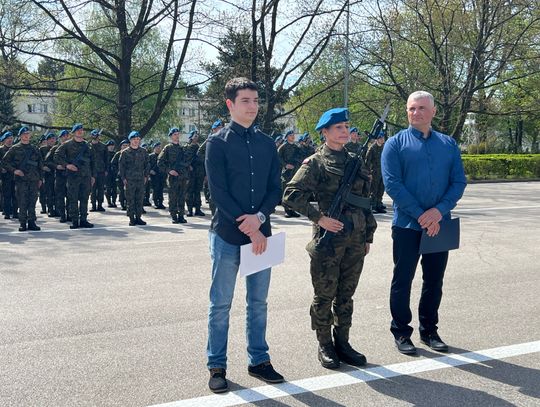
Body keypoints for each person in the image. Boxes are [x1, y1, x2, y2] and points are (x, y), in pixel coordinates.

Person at [205, 77, 284, 393]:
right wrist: (248, 225)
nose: (252, 106)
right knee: (220, 304)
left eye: (255, 100)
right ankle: (217, 365)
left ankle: (259, 360)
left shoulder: (267, 143)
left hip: (262, 235)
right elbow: (218, 193)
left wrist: (259, 219)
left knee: (258, 302)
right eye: (245, 101)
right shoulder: (217, 143)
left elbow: (275, 188)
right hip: (227, 235)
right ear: (230, 104)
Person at [283, 107, 377, 369]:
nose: (344, 131)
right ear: (324, 132)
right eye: (338, 127)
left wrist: (368, 234)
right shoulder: (315, 162)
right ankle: (325, 343)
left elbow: (365, 202)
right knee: (324, 295)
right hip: (329, 240)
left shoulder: (356, 161)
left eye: (346, 126)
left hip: (356, 239)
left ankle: (343, 342)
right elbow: (291, 194)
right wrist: (319, 218)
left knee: (346, 296)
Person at [381, 91, 467, 355]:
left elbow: (458, 182)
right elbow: (392, 185)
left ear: (433, 112)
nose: (415, 113)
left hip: (439, 225)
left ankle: (429, 330)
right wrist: (421, 214)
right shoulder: (394, 144)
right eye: (411, 108)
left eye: (420, 108)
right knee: (402, 278)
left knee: (434, 280)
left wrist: (438, 212)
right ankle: (401, 332)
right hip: (407, 225)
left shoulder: (448, 144)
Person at [55, 123, 95, 229]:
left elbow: (93, 162)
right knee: (73, 198)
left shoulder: (88, 145)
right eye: (77, 130)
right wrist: (67, 165)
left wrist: (93, 176)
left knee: (84, 198)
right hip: (73, 177)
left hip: (86, 176)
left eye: (81, 130)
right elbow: (57, 156)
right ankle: (74, 220)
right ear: (73, 133)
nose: (80, 132)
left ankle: (83, 219)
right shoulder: (67, 145)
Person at [2, 127, 43, 231]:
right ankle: (23, 223)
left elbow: (40, 165)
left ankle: (32, 222)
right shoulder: (15, 148)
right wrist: (14, 170)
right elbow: (4, 162)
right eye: (24, 134)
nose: (26, 135)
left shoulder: (35, 149)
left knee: (32, 201)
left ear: (30, 135)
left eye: (28, 133)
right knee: (22, 201)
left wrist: (40, 179)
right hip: (21, 180)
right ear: (20, 136)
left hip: (34, 179)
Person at [158, 127, 190, 224]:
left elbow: (187, 162)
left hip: (183, 177)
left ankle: (181, 215)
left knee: (182, 197)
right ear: (171, 136)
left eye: (178, 134)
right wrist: (169, 171)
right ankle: (173, 215)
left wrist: (186, 173)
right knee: (173, 197)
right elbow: (160, 162)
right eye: (175, 134)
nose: (177, 136)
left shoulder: (183, 148)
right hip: (173, 178)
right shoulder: (168, 148)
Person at [119, 131, 149, 226]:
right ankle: (132, 218)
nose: (136, 141)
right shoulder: (125, 153)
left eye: (138, 139)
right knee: (130, 200)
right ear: (130, 140)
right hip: (129, 180)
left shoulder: (143, 151)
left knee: (139, 199)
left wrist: (146, 176)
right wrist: (123, 178)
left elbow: (147, 164)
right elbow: (121, 167)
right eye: (134, 139)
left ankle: (138, 217)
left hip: (140, 179)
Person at [45, 129, 70, 222]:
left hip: (71, 176)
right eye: (63, 136)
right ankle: (62, 215)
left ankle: (70, 214)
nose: (66, 138)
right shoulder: (55, 148)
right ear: (60, 138)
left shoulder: (72, 147)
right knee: (60, 196)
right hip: (60, 176)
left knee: (71, 196)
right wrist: (56, 166)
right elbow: (47, 161)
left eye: (67, 136)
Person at [277, 130, 301, 218]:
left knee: (294, 191)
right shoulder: (283, 147)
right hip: (286, 173)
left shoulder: (296, 147)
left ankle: (293, 210)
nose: (293, 137)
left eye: (293, 135)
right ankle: (287, 211)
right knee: (286, 191)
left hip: (295, 172)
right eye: (291, 135)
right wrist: (285, 165)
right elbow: (278, 157)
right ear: (287, 137)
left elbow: (300, 157)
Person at [185, 129, 205, 216]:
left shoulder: (199, 147)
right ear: (191, 137)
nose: (196, 137)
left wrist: (205, 174)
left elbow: (203, 160)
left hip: (199, 173)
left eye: (197, 136)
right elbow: (184, 160)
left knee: (197, 191)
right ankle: (189, 209)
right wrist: (188, 166)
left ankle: (198, 209)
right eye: (195, 136)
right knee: (190, 191)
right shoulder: (187, 147)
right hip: (191, 173)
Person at [365, 132, 387, 213]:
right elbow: (367, 161)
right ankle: (372, 205)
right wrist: (368, 173)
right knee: (373, 189)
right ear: (378, 139)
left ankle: (378, 204)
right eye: (381, 138)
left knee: (381, 188)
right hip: (374, 171)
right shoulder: (372, 148)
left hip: (382, 171)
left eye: (383, 138)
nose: (383, 139)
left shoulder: (384, 147)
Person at [89, 129, 108, 212]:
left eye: (96, 135)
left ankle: (100, 205)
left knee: (100, 189)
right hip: (91, 171)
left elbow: (106, 159)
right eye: (93, 135)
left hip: (101, 170)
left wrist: (106, 169)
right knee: (92, 189)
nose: (95, 137)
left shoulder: (103, 146)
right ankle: (93, 205)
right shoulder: (88, 146)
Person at [0, 131, 17, 220]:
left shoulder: (15, 149)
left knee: (15, 194)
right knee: (7, 195)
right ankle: (7, 212)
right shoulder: (1, 149)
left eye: (11, 138)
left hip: (15, 175)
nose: (10, 140)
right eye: (8, 139)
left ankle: (15, 212)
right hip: (5, 176)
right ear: (4, 140)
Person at [111, 139, 130, 210]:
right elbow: (113, 164)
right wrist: (117, 171)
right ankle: (123, 204)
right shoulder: (118, 154)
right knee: (122, 191)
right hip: (120, 176)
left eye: (127, 145)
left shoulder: (131, 153)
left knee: (129, 191)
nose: (125, 147)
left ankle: (129, 204)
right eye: (124, 145)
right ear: (121, 146)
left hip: (130, 176)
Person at [148, 142, 165, 209]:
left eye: (160, 147)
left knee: (161, 189)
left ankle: (160, 203)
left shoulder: (163, 156)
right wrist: (150, 171)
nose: (158, 148)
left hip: (161, 174)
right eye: (157, 147)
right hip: (154, 175)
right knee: (155, 189)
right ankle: (155, 203)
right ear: (154, 148)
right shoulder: (150, 156)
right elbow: (147, 165)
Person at [105, 140, 117, 207]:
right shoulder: (105, 154)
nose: (111, 147)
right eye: (110, 146)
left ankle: (114, 201)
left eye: (112, 146)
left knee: (114, 188)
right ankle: (109, 202)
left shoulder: (116, 154)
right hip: (107, 173)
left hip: (114, 174)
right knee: (108, 188)